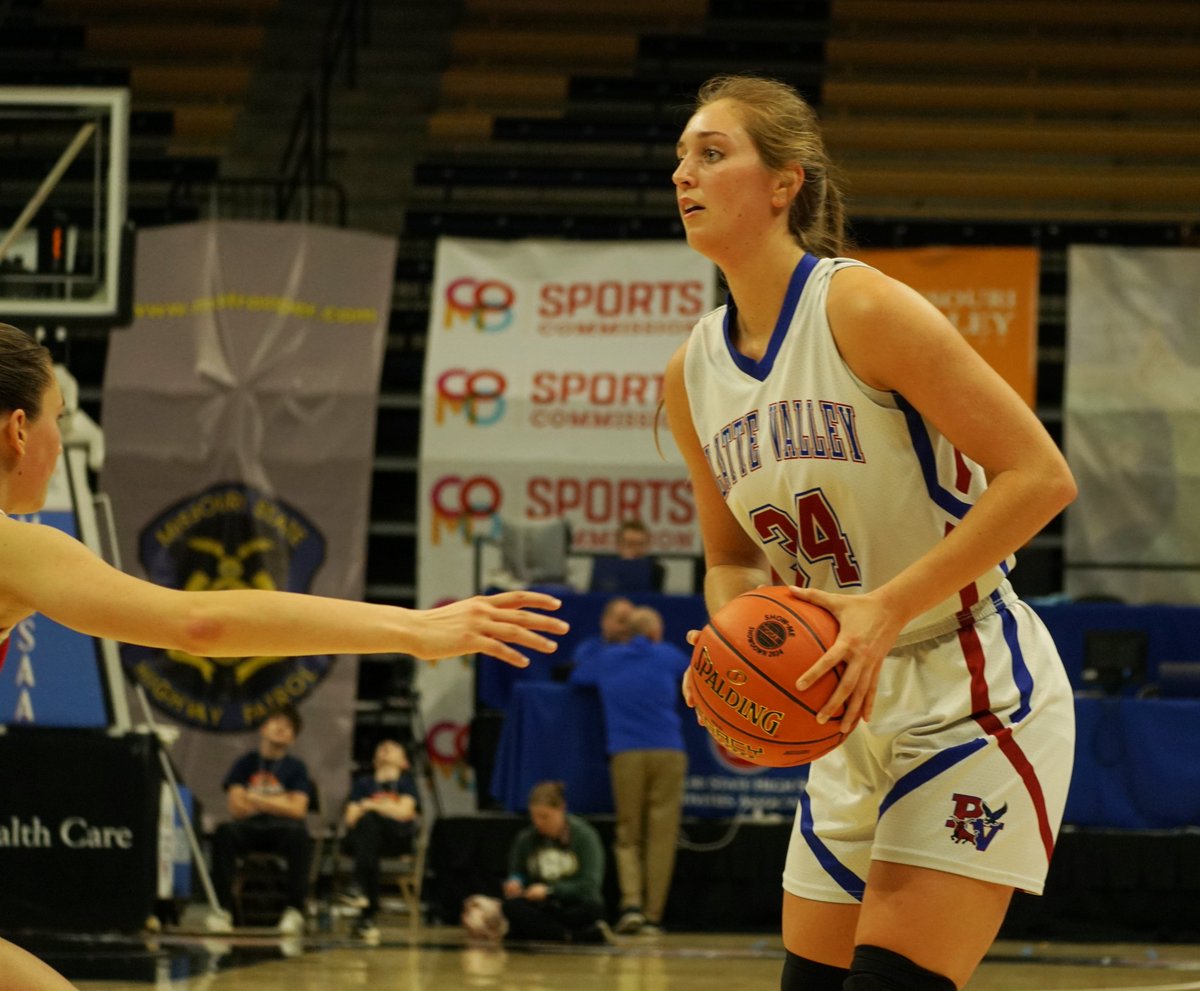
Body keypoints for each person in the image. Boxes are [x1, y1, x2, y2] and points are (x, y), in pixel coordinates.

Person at [0, 322, 569, 991]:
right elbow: (201, 623)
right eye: (58, 421)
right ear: (17, 429)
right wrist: (413, 629)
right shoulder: (17, 548)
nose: (59, 443)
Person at [663, 76, 1077, 990]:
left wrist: (885, 607)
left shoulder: (859, 308)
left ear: (785, 184)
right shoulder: (691, 371)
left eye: (712, 152)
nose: (683, 172)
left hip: (966, 680)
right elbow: (731, 559)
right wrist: (736, 646)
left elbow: (1042, 477)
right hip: (843, 708)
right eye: (681, 156)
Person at [569, 605, 689, 935]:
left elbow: (577, 674)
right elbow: (698, 670)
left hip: (627, 753)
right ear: (654, 634)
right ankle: (654, 914)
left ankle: (631, 904)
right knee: (661, 836)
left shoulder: (607, 658)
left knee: (628, 835)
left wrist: (609, 638)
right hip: (669, 750)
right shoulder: (667, 654)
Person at [208, 704, 314, 935]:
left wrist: (255, 797)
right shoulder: (245, 763)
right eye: (277, 722)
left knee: (300, 835)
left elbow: (298, 810)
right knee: (224, 832)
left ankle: (294, 910)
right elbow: (236, 808)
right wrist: (281, 799)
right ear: (263, 728)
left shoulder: (297, 768)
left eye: (288, 728)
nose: (281, 729)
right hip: (250, 827)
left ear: (293, 739)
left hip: (282, 829)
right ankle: (222, 909)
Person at [463, 780, 611, 944]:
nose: (539, 823)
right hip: (541, 907)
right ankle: (571, 936)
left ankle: (547, 932)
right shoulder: (526, 839)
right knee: (512, 907)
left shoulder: (585, 837)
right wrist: (516, 882)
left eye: (545, 817)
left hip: (573, 904)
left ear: (561, 808)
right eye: (534, 817)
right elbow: (518, 873)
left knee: (592, 909)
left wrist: (550, 891)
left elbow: (589, 886)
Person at [339, 738, 421, 941]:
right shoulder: (363, 783)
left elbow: (405, 812)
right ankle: (367, 916)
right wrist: (385, 808)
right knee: (369, 832)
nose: (385, 747)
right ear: (375, 760)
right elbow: (350, 818)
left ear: (404, 762)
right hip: (365, 840)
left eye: (393, 747)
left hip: (395, 838)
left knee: (369, 822)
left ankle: (358, 889)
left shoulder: (405, 782)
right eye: (381, 746)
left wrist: (370, 805)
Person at [588, 519, 665, 594]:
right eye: (630, 544)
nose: (636, 549)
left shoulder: (656, 571)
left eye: (640, 544)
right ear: (619, 545)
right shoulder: (603, 569)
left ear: (648, 545)